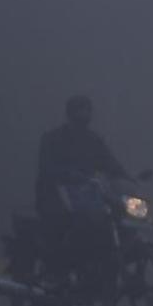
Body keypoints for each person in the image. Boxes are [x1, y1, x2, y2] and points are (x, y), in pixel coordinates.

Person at [35, 95, 129, 229]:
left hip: (88, 195)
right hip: (57, 194)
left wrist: (127, 177)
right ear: (70, 113)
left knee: (117, 210)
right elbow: (46, 168)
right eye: (79, 110)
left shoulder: (94, 140)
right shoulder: (53, 139)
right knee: (58, 220)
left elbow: (110, 163)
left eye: (86, 110)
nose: (83, 114)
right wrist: (68, 175)